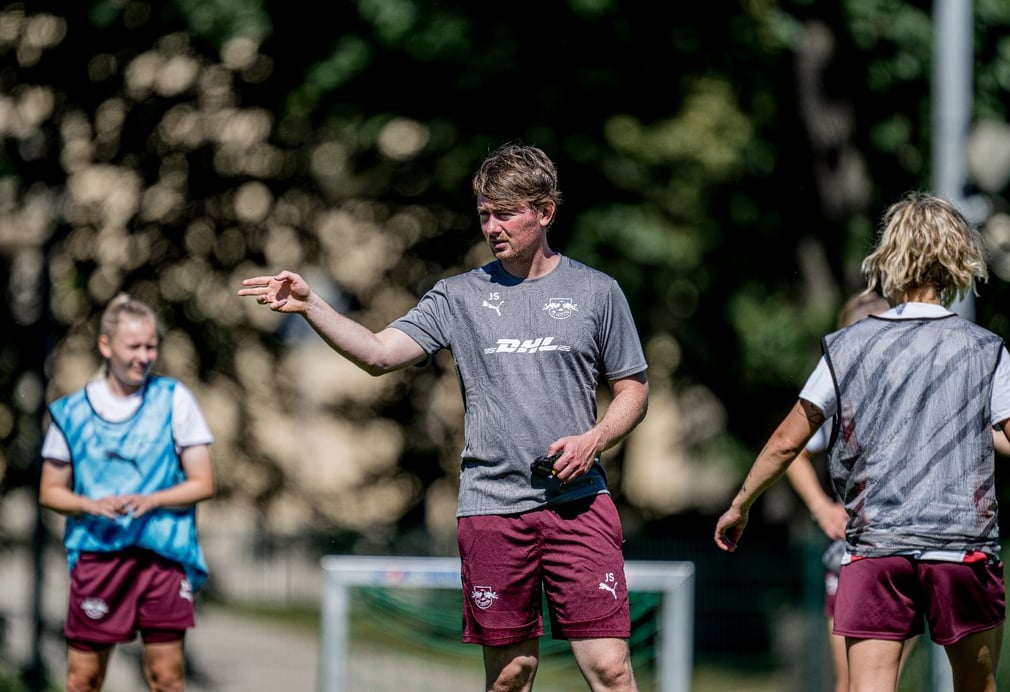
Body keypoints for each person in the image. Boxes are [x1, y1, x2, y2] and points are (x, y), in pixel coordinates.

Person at [239, 142, 649, 692]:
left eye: (505, 213)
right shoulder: (458, 296)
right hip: (491, 508)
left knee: (610, 669)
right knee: (511, 675)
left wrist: (594, 438)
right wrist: (313, 306)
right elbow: (379, 354)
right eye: (484, 214)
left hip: (578, 505)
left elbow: (634, 391)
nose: (492, 227)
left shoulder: (598, 292)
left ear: (545, 211)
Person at [714, 191, 1010, 692]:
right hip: (962, 552)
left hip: (877, 548)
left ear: (890, 259)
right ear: (959, 259)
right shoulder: (985, 350)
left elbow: (783, 443)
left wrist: (741, 503)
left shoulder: (849, 346)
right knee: (977, 685)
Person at [40, 294, 215, 692]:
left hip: (163, 556)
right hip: (99, 556)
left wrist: (151, 500)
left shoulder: (175, 400)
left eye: (151, 346)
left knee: (166, 678)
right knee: (82, 679)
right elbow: (50, 491)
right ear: (106, 345)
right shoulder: (71, 413)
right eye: (133, 346)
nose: (144, 355)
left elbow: (203, 482)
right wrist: (89, 504)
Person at [784, 290, 913, 692]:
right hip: (851, 551)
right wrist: (822, 508)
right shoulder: (837, 390)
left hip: (907, 544)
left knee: (879, 681)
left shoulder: (915, 389)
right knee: (851, 682)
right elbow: (791, 452)